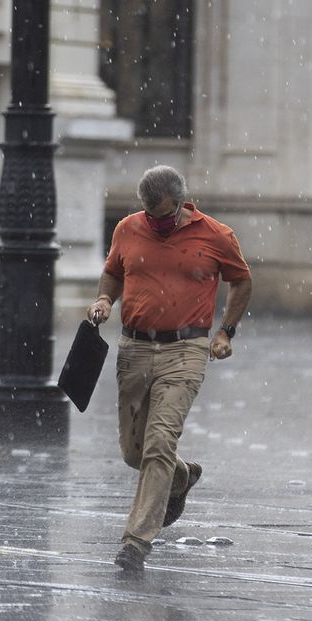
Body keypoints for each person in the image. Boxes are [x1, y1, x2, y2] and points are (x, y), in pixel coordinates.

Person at [88, 165, 253, 573]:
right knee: (134, 451)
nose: (155, 223)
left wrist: (225, 332)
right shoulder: (128, 228)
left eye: (162, 216)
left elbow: (242, 280)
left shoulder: (216, 235)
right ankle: (181, 478)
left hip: (187, 349)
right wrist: (105, 301)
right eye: (149, 215)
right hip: (134, 348)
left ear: (180, 204)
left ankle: (136, 541)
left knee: (160, 441)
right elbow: (112, 272)